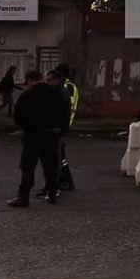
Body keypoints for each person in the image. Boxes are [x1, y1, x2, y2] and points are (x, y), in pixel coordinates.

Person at [7, 69, 70, 208]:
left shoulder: (27, 95)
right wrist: (61, 130)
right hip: (53, 134)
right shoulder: (57, 94)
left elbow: (18, 116)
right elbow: (66, 113)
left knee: (28, 166)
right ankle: (52, 194)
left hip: (33, 135)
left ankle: (23, 197)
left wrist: (26, 126)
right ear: (41, 78)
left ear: (29, 80)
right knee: (51, 165)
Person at [54, 63, 80, 192]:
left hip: (63, 125)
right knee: (59, 155)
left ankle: (66, 181)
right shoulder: (67, 85)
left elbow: (64, 106)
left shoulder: (67, 87)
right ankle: (61, 180)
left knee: (59, 155)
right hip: (62, 124)